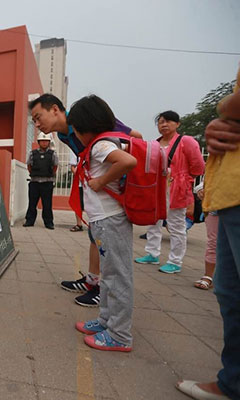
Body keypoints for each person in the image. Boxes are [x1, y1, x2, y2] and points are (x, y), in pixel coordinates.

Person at [29, 93, 142, 307]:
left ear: (54, 109)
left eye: (38, 117)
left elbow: (134, 137)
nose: (37, 124)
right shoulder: (63, 136)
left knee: (109, 247)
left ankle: (105, 293)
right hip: (95, 192)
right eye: (33, 121)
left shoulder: (85, 118)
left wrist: (113, 177)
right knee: (94, 234)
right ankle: (93, 280)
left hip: (110, 194)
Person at [177, 67, 240, 400]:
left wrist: (225, 110)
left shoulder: (182, 143)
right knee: (230, 294)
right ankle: (232, 383)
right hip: (227, 194)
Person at [67, 95, 137, 352]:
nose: (75, 135)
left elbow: (128, 162)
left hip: (111, 220)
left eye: (75, 129)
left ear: (85, 126)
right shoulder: (103, 142)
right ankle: (106, 320)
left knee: (118, 277)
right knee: (109, 275)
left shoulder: (100, 145)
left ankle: (119, 334)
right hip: (103, 221)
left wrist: (99, 182)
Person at [135, 111, 205, 274]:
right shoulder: (155, 144)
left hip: (176, 189)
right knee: (153, 221)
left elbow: (198, 167)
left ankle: (175, 260)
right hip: (156, 188)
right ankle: (152, 253)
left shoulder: (185, 142)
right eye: (160, 122)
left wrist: (183, 179)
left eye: (168, 121)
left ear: (177, 124)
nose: (164, 125)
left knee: (176, 225)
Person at [24, 132, 58, 229]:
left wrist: (50, 175)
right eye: (42, 141)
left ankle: (49, 223)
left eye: (46, 141)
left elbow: (55, 166)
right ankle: (29, 221)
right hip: (34, 182)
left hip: (47, 182)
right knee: (32, 203)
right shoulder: (32, 153)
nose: (44, 143)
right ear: (39, 142)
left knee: (47, 204)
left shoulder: (52, 154)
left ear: (49, 142)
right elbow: (29, 165)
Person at [193, 182, 217, 290]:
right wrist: (200, 189)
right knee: (213, 242)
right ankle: (209, 276)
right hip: (215, 205)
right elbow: (209, 175)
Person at [69, 151, 84, 232]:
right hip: (80, 183)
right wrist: (78, 175)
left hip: (92, 183)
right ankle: (79, 224)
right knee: (79, 204)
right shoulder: (75, 150)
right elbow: (73, 167)